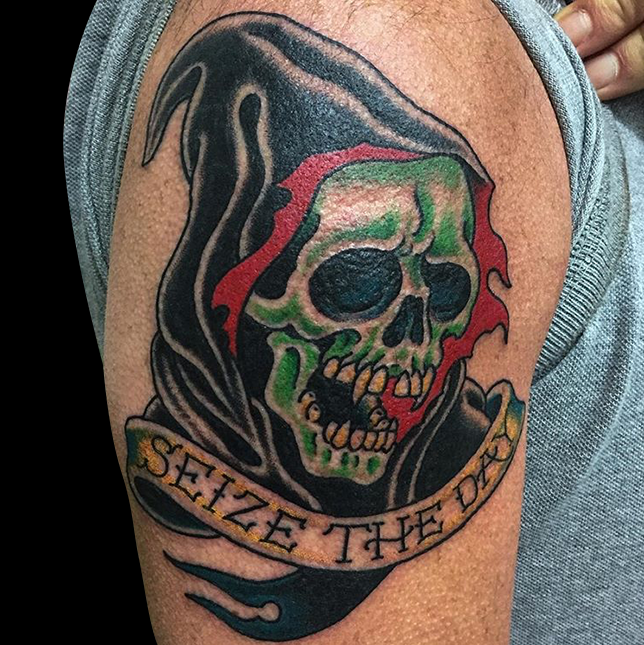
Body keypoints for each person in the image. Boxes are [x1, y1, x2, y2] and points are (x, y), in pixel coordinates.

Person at [64, 1, 643, 643]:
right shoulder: (383, 27)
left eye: (446, 289)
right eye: (359, 282)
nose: (412, 338)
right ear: (229, 286)